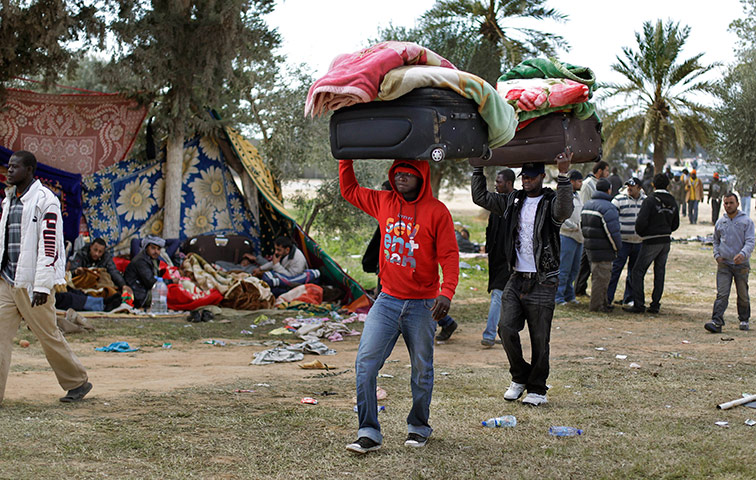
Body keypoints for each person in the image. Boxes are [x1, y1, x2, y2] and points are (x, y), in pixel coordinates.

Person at [340, 159, 459, 453]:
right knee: (365, 365)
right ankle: (368, 431)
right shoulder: (383, 201)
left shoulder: (437, 211)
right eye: (398, 172)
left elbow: (449, 255)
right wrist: (346, 157)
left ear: (422, 176)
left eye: (409, 173)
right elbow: (349, 189)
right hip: (387, 300)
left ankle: (418, 426)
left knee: (421, 369)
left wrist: (446, 292)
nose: (402, 177)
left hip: (423, 305)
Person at [472, 151, 574, 407]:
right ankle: (520, 377)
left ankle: (538, 388)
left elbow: (565, 209)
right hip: (516, 278)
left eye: (530, 177)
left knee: (540, 338)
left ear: (541, 176)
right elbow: (480, 197)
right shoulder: (513, 200)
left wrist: (563, 174)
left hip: (542, 280)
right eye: (523, 177)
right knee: (505, 329)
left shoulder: (550, 202)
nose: (526, 181)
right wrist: (476, 169)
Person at [0, 150, 91, 403]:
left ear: (29, 170)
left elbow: (50, 247)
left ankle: (78, 382)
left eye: (15, 167)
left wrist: (42, 285)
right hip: (8, 280)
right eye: (9, 166)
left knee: (48, 335)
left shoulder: (45, 200)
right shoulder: (9, 200)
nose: (9, 171)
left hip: (32, 285)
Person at [624, 174, 679, 314]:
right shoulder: (672, 200)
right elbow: (676, 224)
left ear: (653, 184)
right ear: (667, 185)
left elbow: (641, 222)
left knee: (637, 271)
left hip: (651, 240)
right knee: (659, 272)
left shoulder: (650, 200)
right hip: (666, 240)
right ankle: (655, 304)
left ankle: (639, 304)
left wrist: (642, 234)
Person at [704, 193, 755, 333]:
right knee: (722, 293)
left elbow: (750, 241)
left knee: (742, 294)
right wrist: (717, 255)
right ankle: (716, 321)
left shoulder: (746, 222)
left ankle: (744, 319)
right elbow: (715, 240)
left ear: (738, 204)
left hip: (741, 265)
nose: (728, 206)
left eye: (731, 203)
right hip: (724, 264)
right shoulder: (721, 222)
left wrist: (743, 254)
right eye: (726, 203)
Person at [481, 168, 515, 347]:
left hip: (509, 259)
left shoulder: (516, 204)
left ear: (509, 183)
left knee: (498, 294)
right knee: (502, 295)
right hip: (497, 258)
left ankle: (489, 334)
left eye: (499, 182)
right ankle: (503, 332)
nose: (496, 184)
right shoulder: (496, 203)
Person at [581, 178, 622, 312]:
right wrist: (617, 248)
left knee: (598, 277)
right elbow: (612, 232)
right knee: (601, 279)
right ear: (609, 190)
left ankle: (603, 303)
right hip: (604, 249)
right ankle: (597, 306)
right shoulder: (608, 208)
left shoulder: (587, 204)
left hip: (590, 248)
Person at [607, 177, 645, 307]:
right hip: (622, 242)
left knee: (633, 272)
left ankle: (629, 298)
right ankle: (607, 298)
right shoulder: (618, 200)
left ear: (639, 188)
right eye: (628, 186)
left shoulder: (645, 201)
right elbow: (612, 219)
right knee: (615, 270)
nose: (629, 188)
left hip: (638, 242)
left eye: (632, 186)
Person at [575, 160, 610, 297]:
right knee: (584, 261)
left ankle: (581, 287)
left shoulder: (599, 184)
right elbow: (583, 206)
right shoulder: (588, 184)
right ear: (600, 171)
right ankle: (578, 288)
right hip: (588, 227)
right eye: (606, 171)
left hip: (597, 229)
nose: (608, 174)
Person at [555, 169, 584, 306]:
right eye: (579, 181)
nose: (581, 183)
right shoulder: (563, 196)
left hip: (578, 237)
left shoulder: (578, 196)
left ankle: (569, 294)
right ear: (571, 181)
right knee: (564, 269)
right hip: (567, 236)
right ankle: (558, 296)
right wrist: (572, 226)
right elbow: (560, 215)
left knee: (574, 269)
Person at [124, 235, 169, 309]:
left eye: (158, 249)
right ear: (146, 248)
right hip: (141, 295)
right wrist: (170, 281)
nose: (156, 252)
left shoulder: (153, 259)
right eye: (153, 248)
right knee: (170, 293)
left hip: (147, 290)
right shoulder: (141, 261)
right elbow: (151, 282)